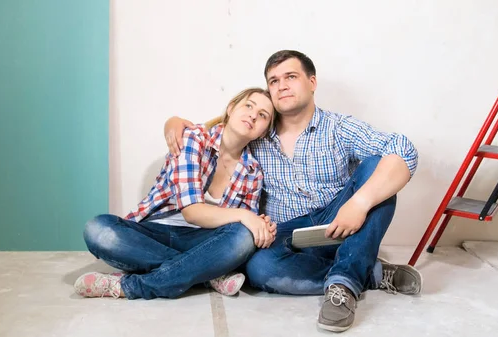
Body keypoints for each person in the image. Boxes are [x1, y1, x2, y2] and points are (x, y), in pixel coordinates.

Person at [164, 50, 422, 332]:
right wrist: (174, 122)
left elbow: (402, 149)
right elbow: (219, 133)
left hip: (342, 220)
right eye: (273, 81)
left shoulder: (338, 127)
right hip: (288, 234)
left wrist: (359, 203)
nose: (281, 85)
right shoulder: (257, 131)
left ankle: (343, 286)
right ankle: (370, 272)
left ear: (312, 82)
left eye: (291, 77)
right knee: (259, 268)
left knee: (379, 167)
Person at [74, 87, 278, 300]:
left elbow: (243, 228)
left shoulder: (253, 172)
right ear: (230, 109)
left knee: (243, 237)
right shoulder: (195, 139)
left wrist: (261, 226)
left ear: (263, 131)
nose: (253, 115)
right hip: (154, 232)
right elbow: (192, 212)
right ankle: (207, 274)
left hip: (203, 240)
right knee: (97, 230)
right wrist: (245, 216)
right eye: (248, 105)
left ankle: (133, 286)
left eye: (263, 115)